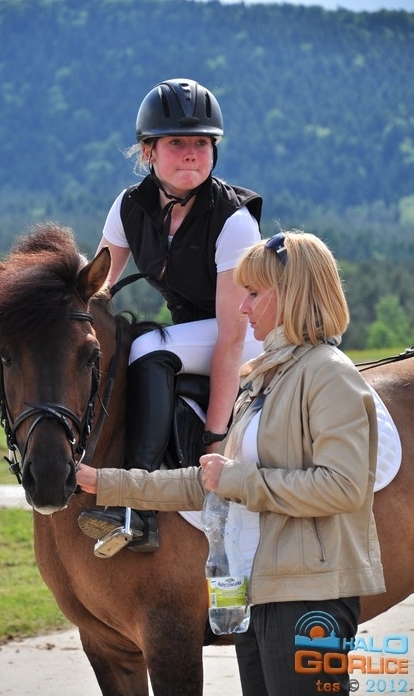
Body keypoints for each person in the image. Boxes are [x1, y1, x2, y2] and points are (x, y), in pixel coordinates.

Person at [77, 230, 385, 695]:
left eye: (254, 294)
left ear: (291, 295)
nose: (242, 307)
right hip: (256, 592)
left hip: (307, 595)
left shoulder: (329, 375)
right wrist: (104, 482)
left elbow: (342, 487)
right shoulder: (265, 380)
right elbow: (211, 483)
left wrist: (237, 479)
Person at [78, 78, 263, 555]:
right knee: (131, 348)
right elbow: (94, 288)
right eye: (176, 143)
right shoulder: (129, 207)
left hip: (254, 336)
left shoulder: (233, 220)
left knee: (148, 346)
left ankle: (135, 506)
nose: (191, 154)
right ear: (148, 152)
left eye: (201, 143)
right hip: (195, 335)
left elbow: (230, 336)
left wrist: (216, 436)